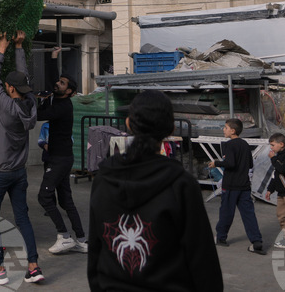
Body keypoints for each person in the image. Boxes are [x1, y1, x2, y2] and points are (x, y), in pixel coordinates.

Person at [88, 90, 222, 291]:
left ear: (128, 124)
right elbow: (202, 259)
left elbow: (95, 250)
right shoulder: (181, 184)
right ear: (171, 128)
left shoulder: (103, 178)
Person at [0, 31, 44, 285]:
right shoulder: (31, 104)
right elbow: (22, 78)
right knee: (22, 217)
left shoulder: (6, 106)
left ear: (10, 89)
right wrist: (18, 47)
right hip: (19, 171)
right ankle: (34, 267)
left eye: (8, 86)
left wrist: (1, 49)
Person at [35, 49, 86, 255]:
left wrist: (33, 100)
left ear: (70, 92)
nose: (58, 83)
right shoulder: (59, 97)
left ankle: (64, 236)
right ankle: (82, 240)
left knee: (44, 197)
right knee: (66, 200)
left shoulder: (63, 106)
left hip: (59, 159)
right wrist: (53, 58)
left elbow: (39, 115)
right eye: (60, 81)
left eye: (63, 83)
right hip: (61, 157)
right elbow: (51, 81)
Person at [209, 118, 264, 254]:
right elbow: (250, 164)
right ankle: (256, 241)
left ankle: (221, 238)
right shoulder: (245, 144)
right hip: (244, 186)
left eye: (226, 127)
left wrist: (217, 163)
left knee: (226, 212)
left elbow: (231, 163)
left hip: (231, 185)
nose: (224, 129)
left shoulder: (230, 145)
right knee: (248, 214)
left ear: (232, 131)